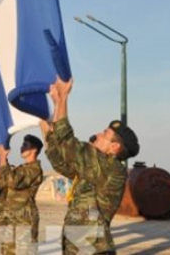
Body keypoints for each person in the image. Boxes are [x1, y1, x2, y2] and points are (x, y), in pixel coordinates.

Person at [42, 76, 139, 255]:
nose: (97, 135)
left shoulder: (111, 169)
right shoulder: (94, 168)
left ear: (114, 147)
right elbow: (61, 160)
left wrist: (63, 98)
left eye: (104, 134)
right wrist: (47, 122)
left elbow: (67, 142)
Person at [0, 135, 44, 255]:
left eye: (25, 145)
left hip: (25, 220)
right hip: (12, 218)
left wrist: (3, 159)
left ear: (34, 150)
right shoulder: (22, 168)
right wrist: (3, 160)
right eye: (23, 145)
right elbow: (6, 178)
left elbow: (13, 182)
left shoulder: (34, 169)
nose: (22, 147)